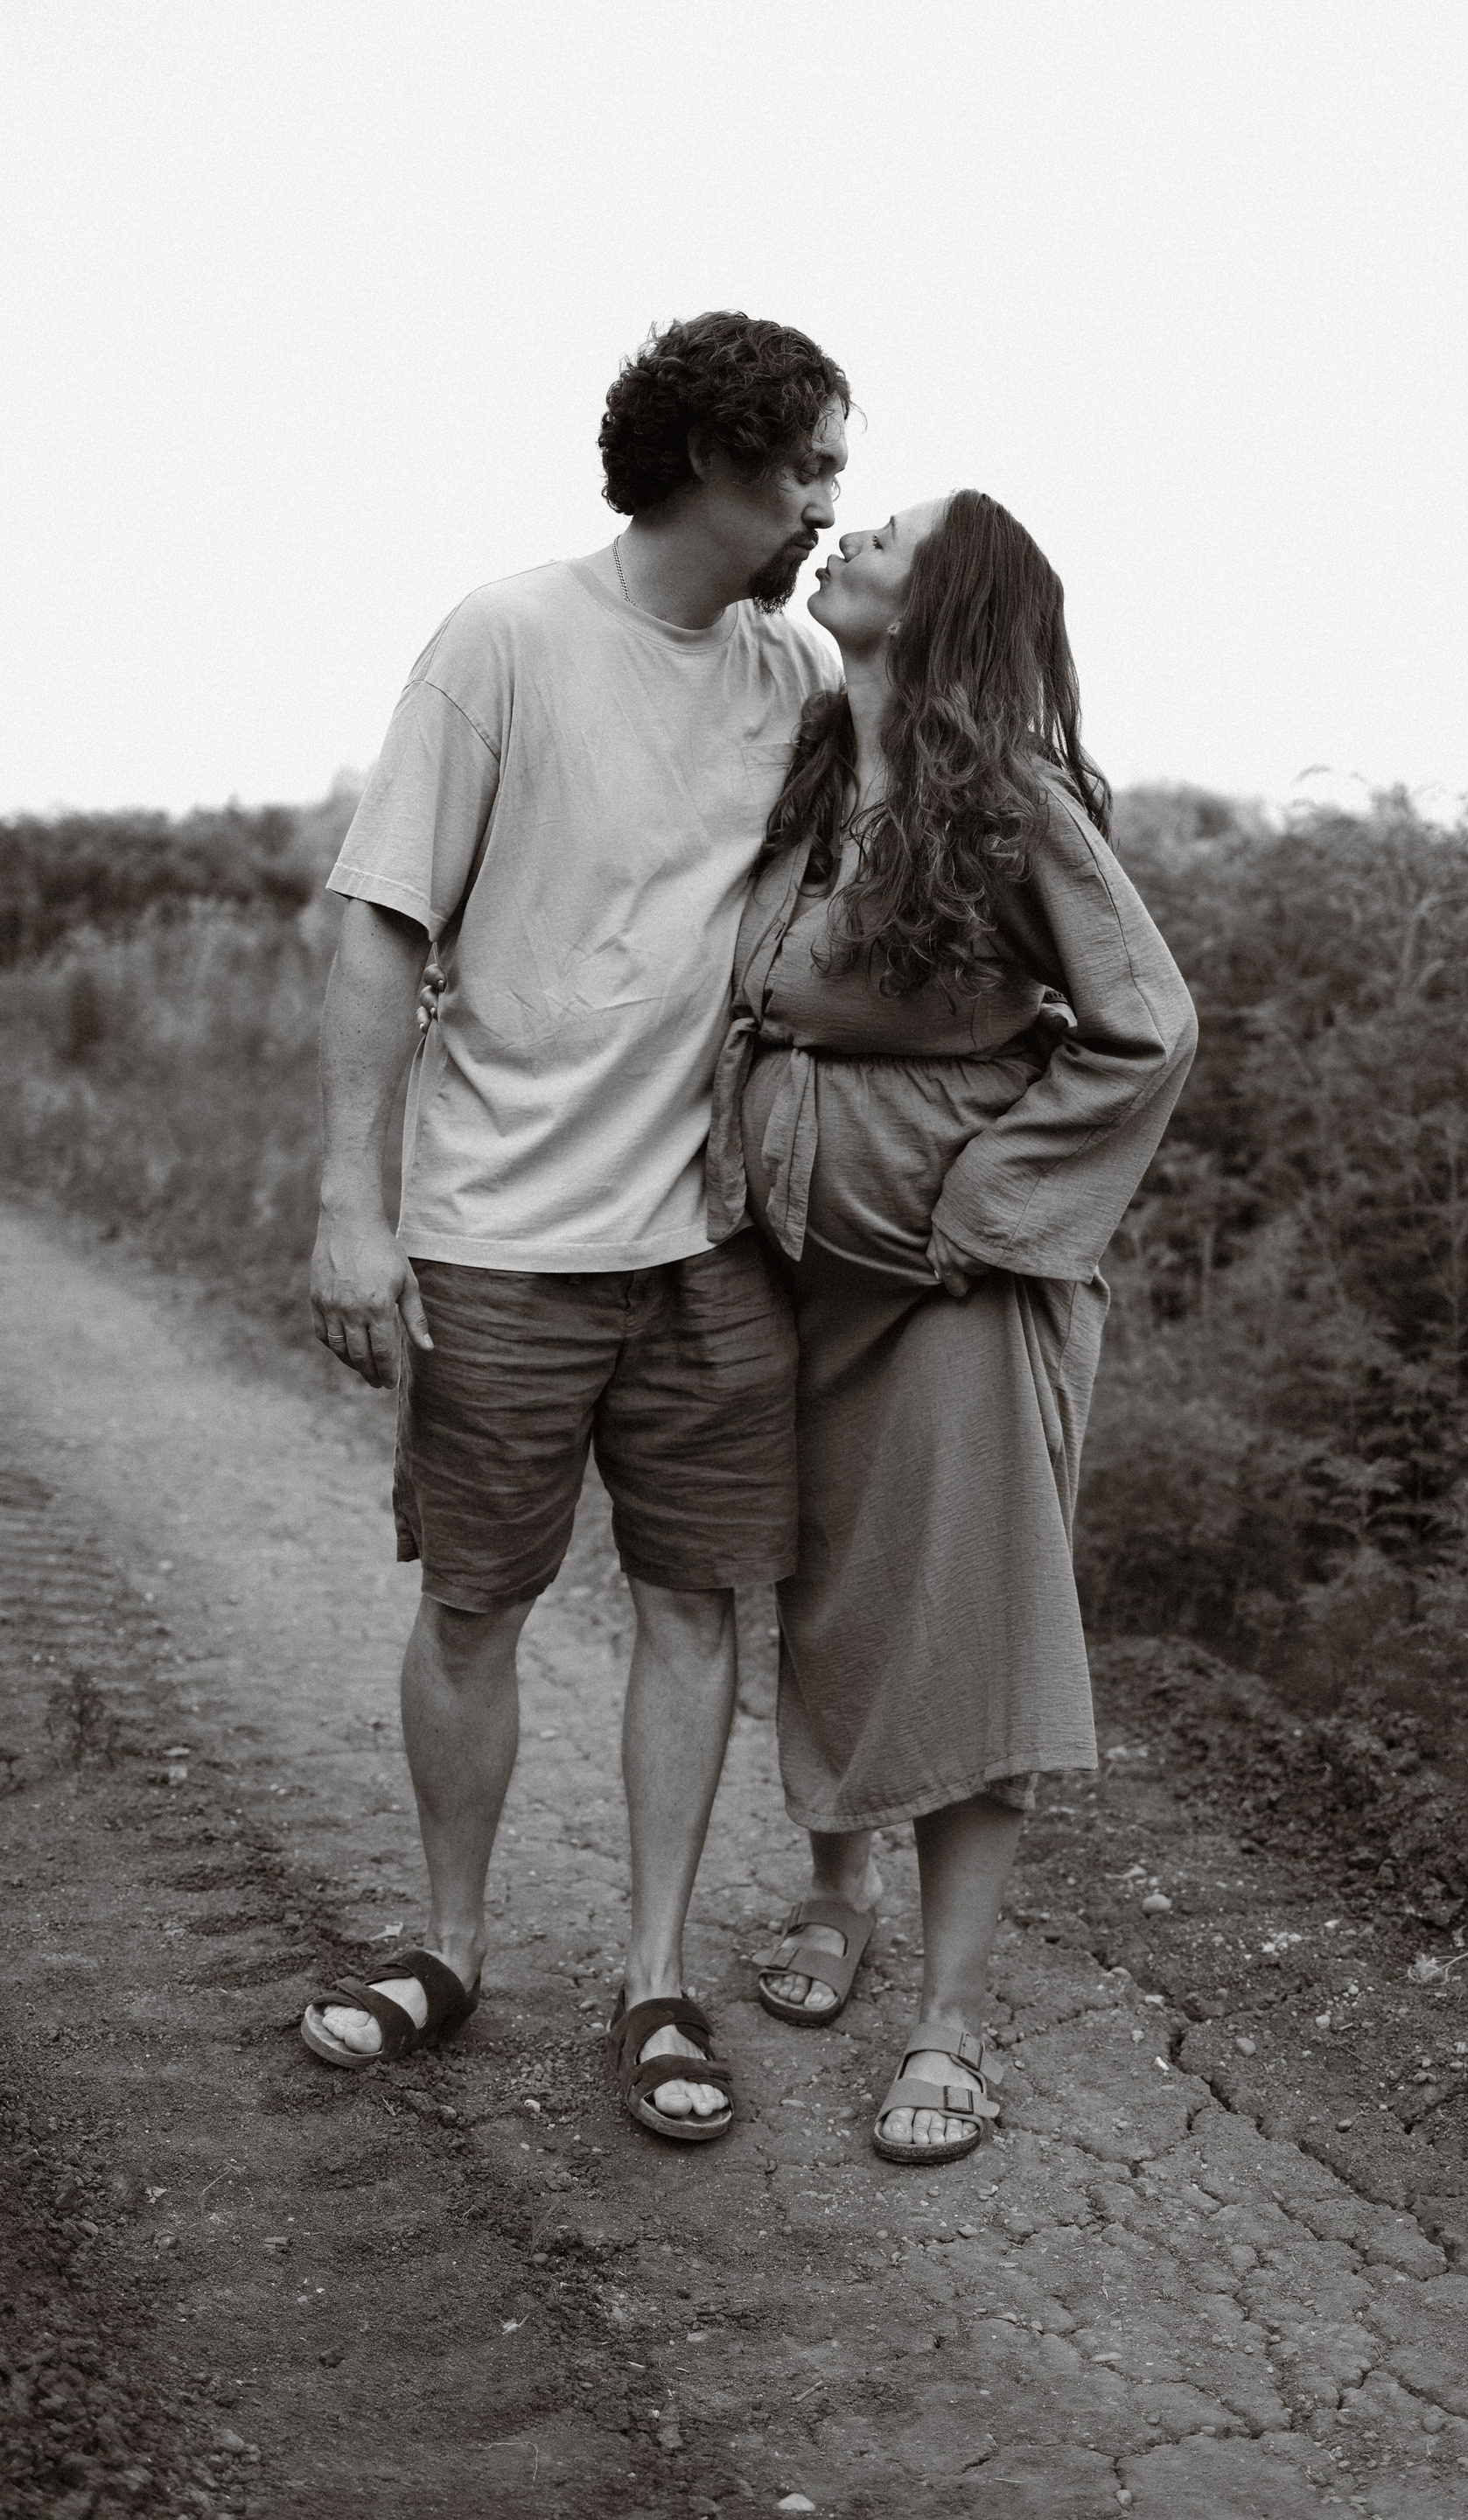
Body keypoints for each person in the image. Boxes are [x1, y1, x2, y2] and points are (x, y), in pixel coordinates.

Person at [300, 312, 849, 2142]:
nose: (827, 505)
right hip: (498, 1237)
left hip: (712, 1245)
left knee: (696, 1609)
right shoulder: (507, 638)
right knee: (476, 1603)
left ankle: (655, 1983)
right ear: (709, 461)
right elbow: (384, 919)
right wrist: (353, 1204)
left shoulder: (801, 673)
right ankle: (448, 1947)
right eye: (807, 467)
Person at [710, 491, 1197, 2161]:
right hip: (803, 1274)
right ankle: (836, 1898)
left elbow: (1149, 1024)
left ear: (942, 604)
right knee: (832, 1595)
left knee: (972, 1624)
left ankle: (954, 2021)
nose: (847, 539)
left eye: (888, 538)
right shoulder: (816, 780)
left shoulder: (1008, 800)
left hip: (953, 1298)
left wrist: (989, 1205)